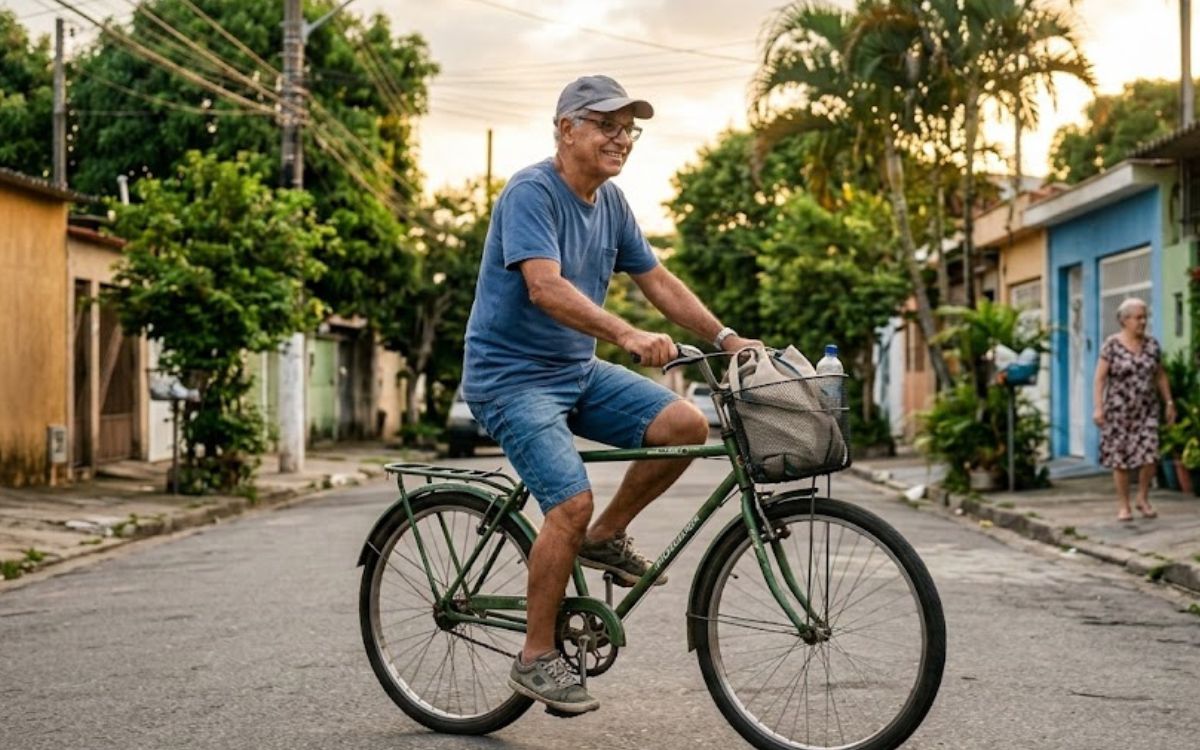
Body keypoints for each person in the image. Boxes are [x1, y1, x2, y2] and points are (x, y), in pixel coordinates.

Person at [460, 74, 758, 715]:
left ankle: (606, 535)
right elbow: (544, 286)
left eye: (630, 128)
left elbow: (658, 279)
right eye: (607, 125)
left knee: (683, 424)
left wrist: (726, 337)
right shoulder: (530, 192)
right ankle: (536, 657)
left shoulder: (613, 203)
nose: (621, 138)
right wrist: (625, 332)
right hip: (511, 378)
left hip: (575, 371)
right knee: (567, 503)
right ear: (566, 129)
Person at [1092, 297, 1175, 522]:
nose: (1143, 322)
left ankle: (1143, 498)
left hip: (1147, 409)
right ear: (1124, 320)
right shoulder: (1111, 345)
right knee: (1121, 459)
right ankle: (1124, 506)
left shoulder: (1152, 345)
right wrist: (1098, 408)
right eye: (1138, 318)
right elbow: (1099, 379)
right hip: (1118, 411)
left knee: (1150, 455)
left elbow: (1160, 374)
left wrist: (1169, 402)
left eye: (1144, 317)